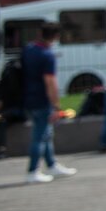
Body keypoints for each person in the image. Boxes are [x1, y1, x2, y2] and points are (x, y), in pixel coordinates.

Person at [23, 22, 78, 184]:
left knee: (46, 133)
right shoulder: (47, 55)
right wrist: (56, 105)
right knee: (40, 136)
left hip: (27, 98)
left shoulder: (29, 50)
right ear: (56, 37)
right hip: (41, 100)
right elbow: (50, 82)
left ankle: (52, 165)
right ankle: (33, 171)